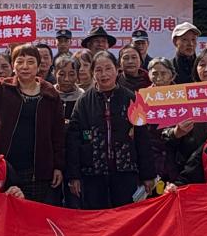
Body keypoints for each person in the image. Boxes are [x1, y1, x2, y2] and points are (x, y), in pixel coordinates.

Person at [0, 42, 65, 204]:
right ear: (13, 66)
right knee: (5, 209)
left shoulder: (50, 94)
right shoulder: (3, 87)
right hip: (4, 164)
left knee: (34, 212)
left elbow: (58, 133)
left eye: (30, 62)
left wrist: (58, 165)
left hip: (38, 168)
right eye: (20, 62)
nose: (25, 66)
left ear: (38, 66)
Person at [66, 50, 156, 209]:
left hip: (125, 172)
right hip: (92, 174)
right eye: (98, 70)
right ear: (93, 73)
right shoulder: (84, 101)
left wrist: (147, 175)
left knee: (125, 216)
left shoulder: (131, 98)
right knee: (96, 217)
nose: (104, 74)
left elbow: (142, 138)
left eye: (108, 68)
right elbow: (73, 140)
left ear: (117, 69)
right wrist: (74, 176)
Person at [163, 47, 207, 181]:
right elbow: (165, 133)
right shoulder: (183, 95)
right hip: (192, 162)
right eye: (202, 65)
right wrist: (176, 132)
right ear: (196, 69)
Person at [54, 55, 83, 121]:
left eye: (71, 74)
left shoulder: (82, 97)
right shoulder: (49, 94)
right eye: (62, 74)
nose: (66, 79)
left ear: (77, 75)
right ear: (55, 73)